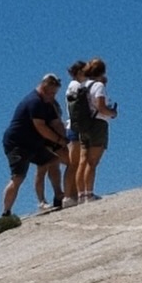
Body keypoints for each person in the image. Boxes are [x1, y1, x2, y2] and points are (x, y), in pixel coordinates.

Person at [1, 75, 69, 217]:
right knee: (18, 177)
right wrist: (59, 140)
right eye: (51, 92)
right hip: (18, 144)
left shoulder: (47, 103)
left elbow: (56, 123)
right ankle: (6, 212)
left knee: (52, 160)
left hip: (34, 143)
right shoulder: (34, 102)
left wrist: (65, 139)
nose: (53, 96)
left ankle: (58, 195)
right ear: (44, 88)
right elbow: (41, 127)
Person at [75, 57, 118, 202]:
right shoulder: (98, 86)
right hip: (97, 124)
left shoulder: (82, 85)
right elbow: (101, 107)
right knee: (92, 162)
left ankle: (80, 194)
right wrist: (112, 113)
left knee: (83, 160)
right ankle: (89, 193)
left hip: (83, 125)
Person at [60, 60, 88, 208]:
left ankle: (73, 194)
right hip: (76, 127)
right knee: (74, 163)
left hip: (74, 126)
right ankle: (69, 195)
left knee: (76, 163)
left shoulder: (74, 86)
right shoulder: (76, 86)